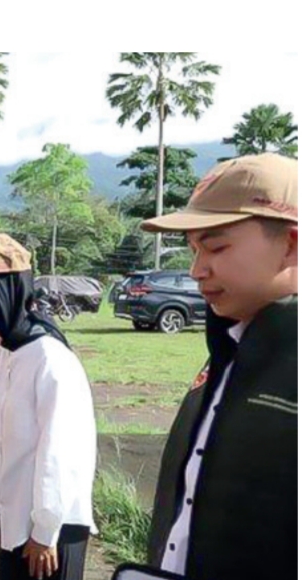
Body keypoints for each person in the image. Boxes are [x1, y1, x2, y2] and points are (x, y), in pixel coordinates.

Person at [140, 153, 297, 580]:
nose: (196, 270)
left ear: (291, 243)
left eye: (216, 246)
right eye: (193, 250)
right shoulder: (228, 347)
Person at [0, 234, 96, 580]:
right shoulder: (12, 352)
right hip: (18, 521)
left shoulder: (50, 360)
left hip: (50, 535)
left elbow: (62, 455)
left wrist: (44, 531)